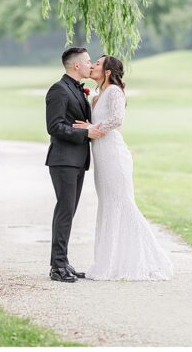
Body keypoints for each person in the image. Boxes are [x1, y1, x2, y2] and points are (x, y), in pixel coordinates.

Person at [75, 55, 173, 281]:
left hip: (113, 155)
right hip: (101, 155)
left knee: (122, 203)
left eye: (97, 64)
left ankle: (147, 259)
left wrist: (91, 127)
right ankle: (110, 262)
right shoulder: (96, 97)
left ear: (108, 72)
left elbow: (117, 120)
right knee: (108, 205)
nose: (92, 66)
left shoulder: (114, 93)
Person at [44, 47, 105, 283]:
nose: (91, 65)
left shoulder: (78, 90)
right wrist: (86, 133)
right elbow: (54, 126)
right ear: (76, 66)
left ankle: (63, 262)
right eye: (89, 62)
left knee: (69, 212)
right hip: (63, 160)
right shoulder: (58, 90)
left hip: (78, 160)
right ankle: (57, 266)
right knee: (65, 211)